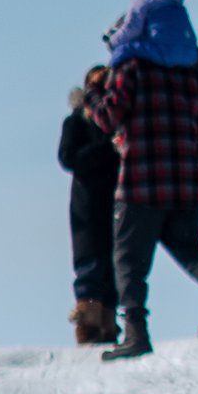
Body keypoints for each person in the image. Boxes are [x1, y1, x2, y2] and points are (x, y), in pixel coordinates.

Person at [98, 0, 198, 361]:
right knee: (189, 251)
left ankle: (136, 331)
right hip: (184, 179)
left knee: (128, 257)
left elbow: (109, 116)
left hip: (142, 178)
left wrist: (92, 100)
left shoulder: (131, 66)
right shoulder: (189, 72)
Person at [59, 67, 122, 344]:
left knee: (114, 259)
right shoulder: (77, 122)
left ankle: (108, 319)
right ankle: (88, 320)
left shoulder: (118, 123)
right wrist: (108, 149)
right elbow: (68, 157)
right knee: (90, 260)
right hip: (87, 201)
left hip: (116, 199)